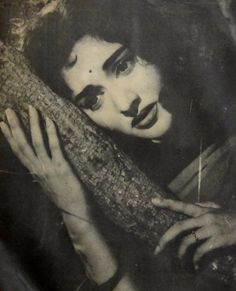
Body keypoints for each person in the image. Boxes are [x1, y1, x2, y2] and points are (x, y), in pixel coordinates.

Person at [1, 0, 236, 290]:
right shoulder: (126, 194)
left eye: (122, 66)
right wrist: (74, 211)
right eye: (93, 100)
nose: (126, 104)